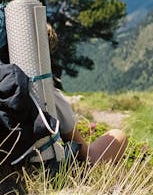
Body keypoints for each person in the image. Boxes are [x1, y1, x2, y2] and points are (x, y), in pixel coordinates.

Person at [46, 24, 128, 166]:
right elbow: (83, 153)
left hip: (3, 160)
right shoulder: (48, 94)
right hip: (40, 164)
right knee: (119, 135)